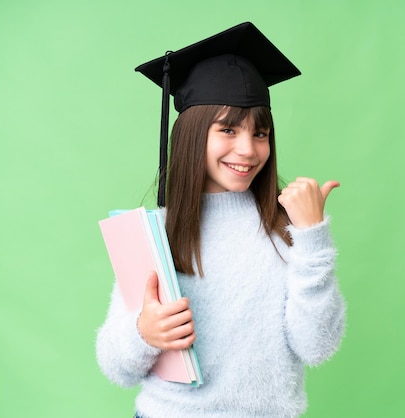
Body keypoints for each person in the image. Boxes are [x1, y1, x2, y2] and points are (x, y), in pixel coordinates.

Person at [96, 22, 346, 418]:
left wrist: (312, 238)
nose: (247, 149)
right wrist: (144, 333)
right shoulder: (156, 232)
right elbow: (115, 366)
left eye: (260, 133)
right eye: (227, 129)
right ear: (193, 134)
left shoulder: (287, 228)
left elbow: (317, 347)